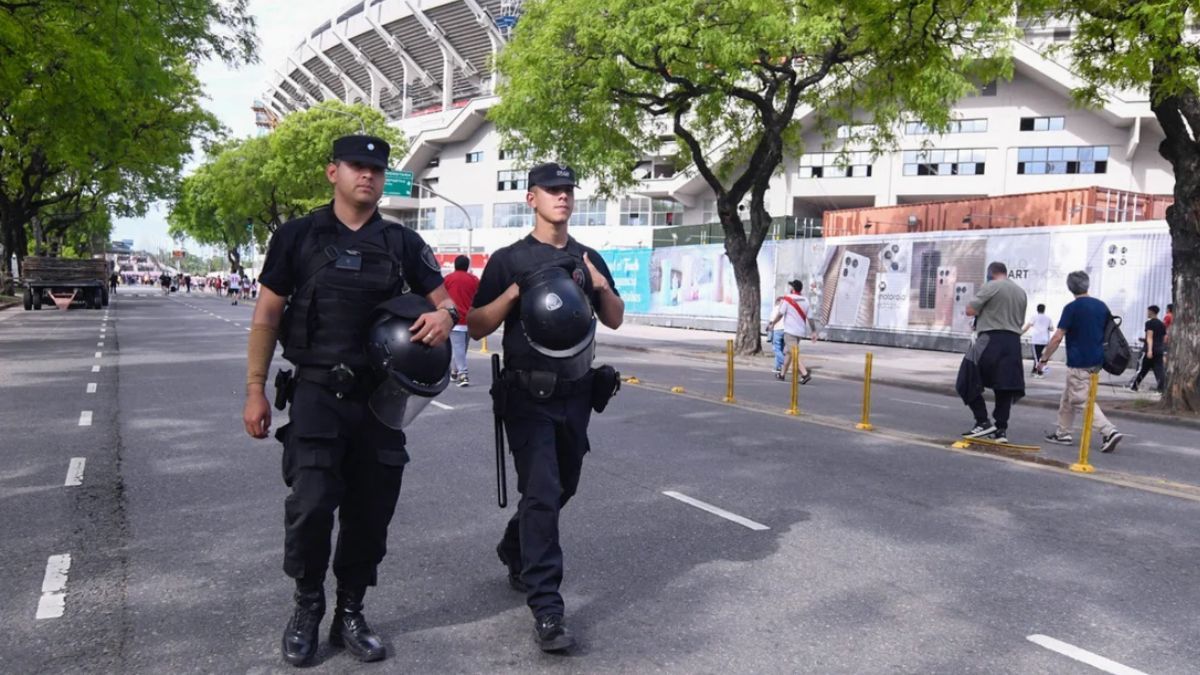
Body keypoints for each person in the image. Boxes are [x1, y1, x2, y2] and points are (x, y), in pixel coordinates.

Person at [241, 134, 458, 667]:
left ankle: (351, 612)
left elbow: (447, 303)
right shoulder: (296, 236)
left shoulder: (402, 243)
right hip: (317, 392)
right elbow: (267, 315)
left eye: (376, 169)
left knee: (370, 512)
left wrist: (444, 316)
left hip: (380, 400)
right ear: (332, 172)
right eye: (357, 166)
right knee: (311, 505)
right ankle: (307, 606)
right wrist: (254, 389)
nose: (368, 175)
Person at [469, 162, 624, 653]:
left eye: (567, 190)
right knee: (541, 492)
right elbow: (476, 324)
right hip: (527, 397)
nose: (562, 197)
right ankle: (548, 610)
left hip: (576, 394)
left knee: (563, 487)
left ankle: (515, 544)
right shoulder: (509, 259)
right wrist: (514, 292)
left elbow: (615, 319)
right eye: (552, 190)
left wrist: (600, 285)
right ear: (531, 198)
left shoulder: (587, 257)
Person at [1039, 271, 1124, 452]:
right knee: (1068, 398)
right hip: (1097, 360)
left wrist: (1044, 359)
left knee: (1080, 399)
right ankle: (1063, 433)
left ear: (1070, 287)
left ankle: (1109, 431)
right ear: (1087, 285)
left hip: (1079, 361)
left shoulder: (1072, 308)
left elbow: (1057, 337)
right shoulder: (1101, 306)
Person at [956, 261, 1027, 443]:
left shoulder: (992, 286)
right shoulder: (1021, 292)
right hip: (1013, 343)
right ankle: (1001, 429)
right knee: (1004, 385)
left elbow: (970, 310)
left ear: (991, 274)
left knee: (966, 377)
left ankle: (982, 421)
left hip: (989, 338)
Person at [765, 279, 814, 384]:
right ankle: (782, 374)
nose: (789, 288)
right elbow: (810, 318)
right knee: (788, 353)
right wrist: (813, 331)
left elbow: (780, 314)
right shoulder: (805, 300)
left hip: (790, 331)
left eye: (791, 286)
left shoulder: (788, 299)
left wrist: (773, 323)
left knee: (793, 353)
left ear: (793, 289)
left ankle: (805, 374)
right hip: (800, 332)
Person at [443, 254, 480, 386]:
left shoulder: (448, 279)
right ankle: (455, 371)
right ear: (467, 266)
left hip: (455, 319)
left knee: (458, 348)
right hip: (469, 320)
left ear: (455, 265)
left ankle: (462, 374)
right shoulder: (474, 279)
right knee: (461, 349)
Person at [1129, 304, 1167, 393]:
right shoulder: (1162, 324)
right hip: (1159, 350)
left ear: (1151, 312)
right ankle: (1161, 389)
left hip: (1150, 350)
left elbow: (1150, 337)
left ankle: (1134, 386)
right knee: (1159, 370)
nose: (1147, 313)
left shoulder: (1149, 323)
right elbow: (1164, 338)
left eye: (1148, 311)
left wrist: (1149, 350)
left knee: (1142, 369)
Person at [1021, 303, 1054, 378]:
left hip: (1036, 339)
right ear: (1044, 309)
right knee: (1040, 356)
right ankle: (1035, 370)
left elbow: (1027, 326)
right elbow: (1052, 328)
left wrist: (1020, 333)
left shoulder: (1034, 317)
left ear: (1037, 309)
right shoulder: (1048, 318)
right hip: (1045, 340)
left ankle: (1038, 372)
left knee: (1036, 356)